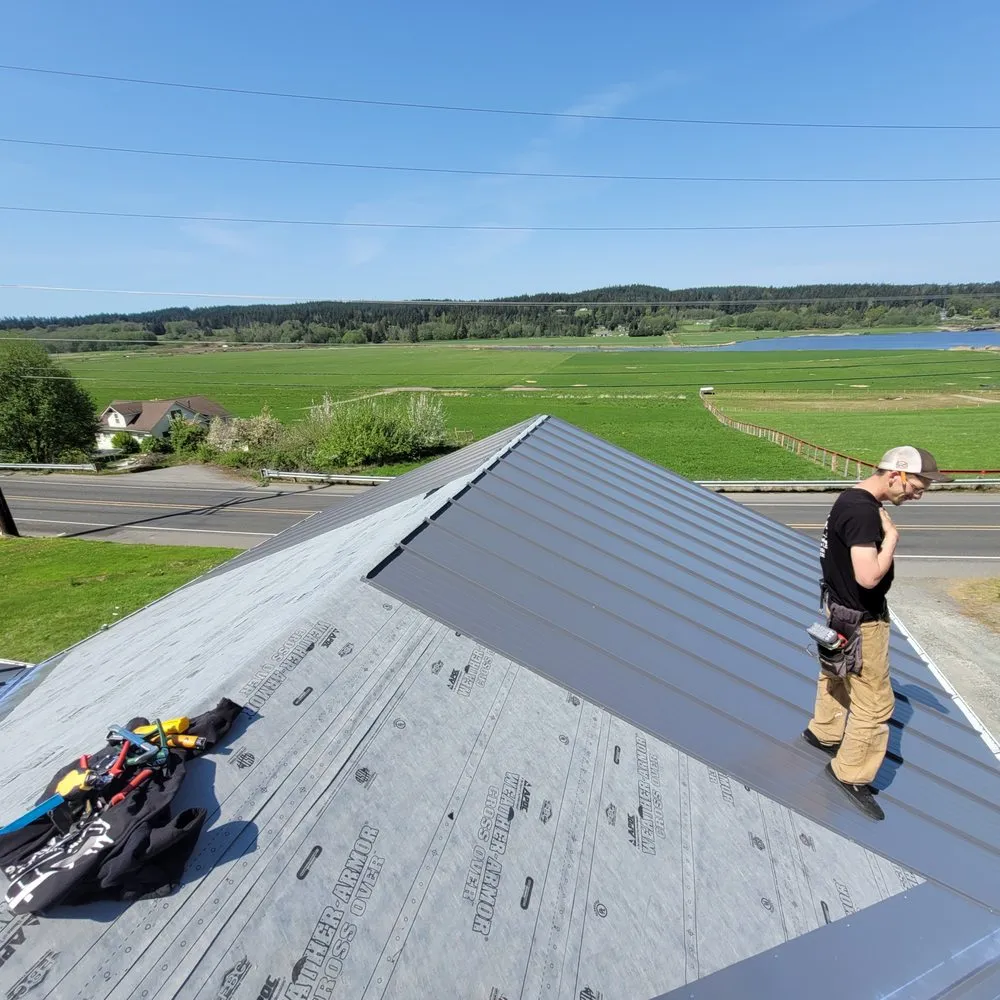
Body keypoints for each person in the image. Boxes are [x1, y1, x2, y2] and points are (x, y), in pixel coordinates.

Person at [803, 446, 951, 820]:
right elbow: (868, 576)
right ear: (895, 475)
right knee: (875, 703)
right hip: (862, 621)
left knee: (835, 674)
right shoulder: (864, 513)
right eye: (919, 484)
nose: (921, 493)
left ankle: (824, 732)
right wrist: (893, 540)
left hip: (836, 610)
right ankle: (849, 775)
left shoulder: (849, 499)